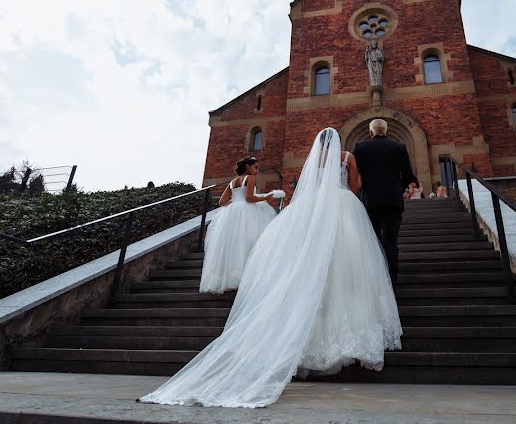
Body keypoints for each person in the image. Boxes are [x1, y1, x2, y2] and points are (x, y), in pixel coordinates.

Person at [140, 128, 401, 408]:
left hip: (314, 209)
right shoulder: (346, 156)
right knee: (347, 263)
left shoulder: (315, 160)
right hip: (343, 207)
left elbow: (306, 187)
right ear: (338, 141)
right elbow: (354, 187)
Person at [199, 157, 282, 293]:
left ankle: (229, 279)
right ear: (248, 167)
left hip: (231, 213)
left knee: (232, 245)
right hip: (247, 212)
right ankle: (248, 277)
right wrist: (266, 197)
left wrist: (235, 206)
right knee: (248, 241)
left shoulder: (232, 182)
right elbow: (249, 198)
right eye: (255, 167)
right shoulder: (250, 179)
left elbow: (222, 202)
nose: (257, 169)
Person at [352, 118, 417, 286]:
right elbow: (408, 174)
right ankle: (392, 281)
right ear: (386, 131)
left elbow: (355, 175)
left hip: (369, 202)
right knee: (391, 242)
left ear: (370, 132)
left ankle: (376, 280)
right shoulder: (399, 147)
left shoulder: (360, 148)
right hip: (392, 202)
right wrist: (401, 188)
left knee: (373, 241)